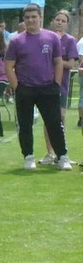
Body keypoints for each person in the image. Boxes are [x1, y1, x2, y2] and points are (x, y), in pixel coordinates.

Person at [6, 4, 70, 171]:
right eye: (27, 17)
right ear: (24, 20)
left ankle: (62, 156)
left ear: (40, 17)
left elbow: (58, 62)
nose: (31, 20)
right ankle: (28, 156)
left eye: (34, 17)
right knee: (25, 124)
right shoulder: (16, 41)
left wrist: (56, 83)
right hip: (25, 88)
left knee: (54, 123)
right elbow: (8, 66)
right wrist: (17, 87)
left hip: (48, 87)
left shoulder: (52, 37)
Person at [37, 10, 77, 165]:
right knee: (48, 119)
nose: (60, 22)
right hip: (44, 84)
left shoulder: (70, 40)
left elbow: (71, 64)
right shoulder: (43, 38)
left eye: (63, 20)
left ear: (67, 24)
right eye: (57, 19)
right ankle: (50, 153)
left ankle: (62, 153)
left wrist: (57, 60)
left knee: (60, 118)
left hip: (61, 85)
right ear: (52, 21)